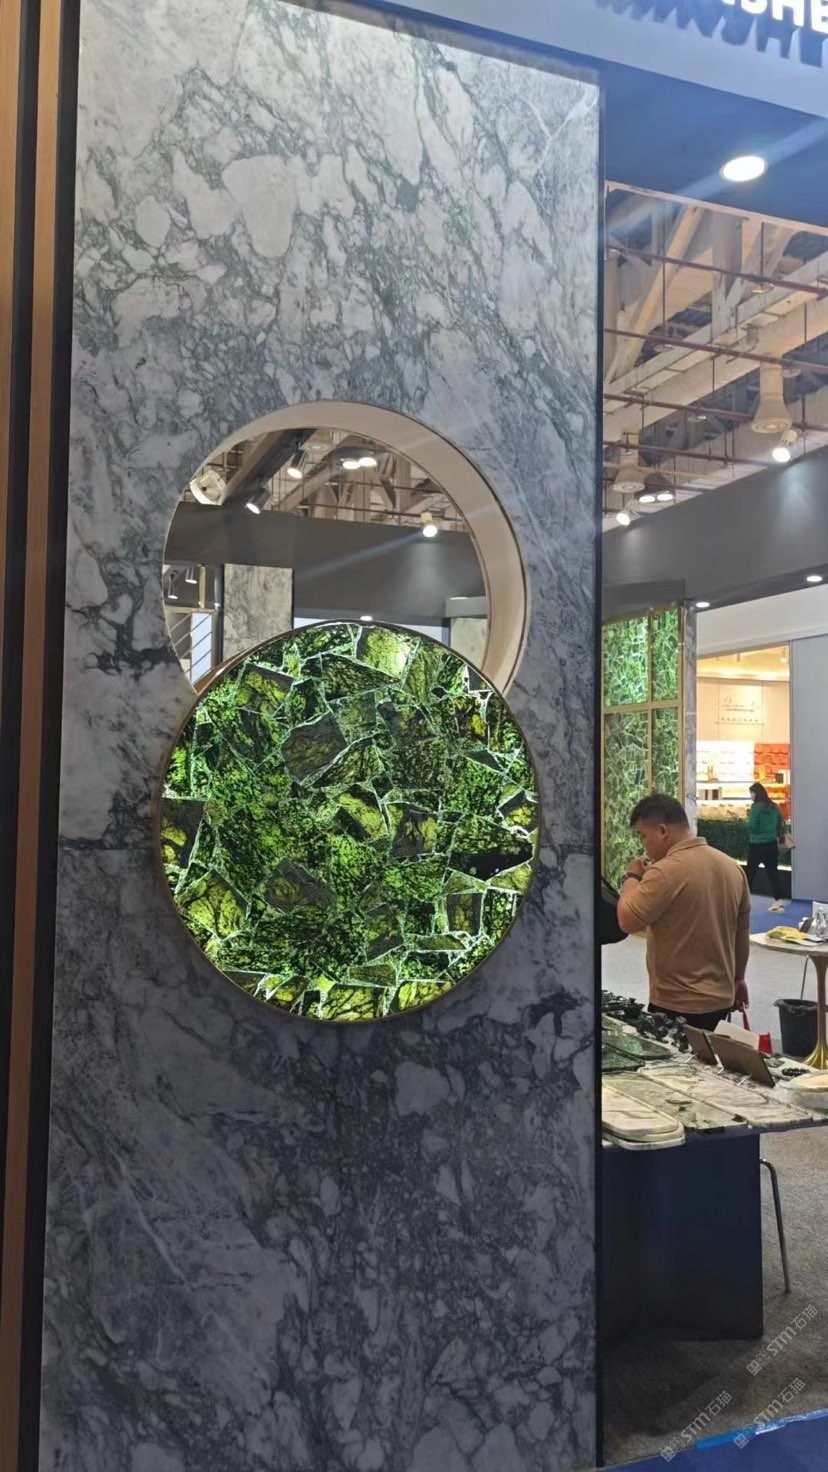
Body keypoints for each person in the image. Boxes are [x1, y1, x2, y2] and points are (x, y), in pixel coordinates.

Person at [617, 793, 750, 1031]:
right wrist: (738, 979)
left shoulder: (664, 871)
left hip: (676, 1003)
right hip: (721, 999)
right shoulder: (732, 867)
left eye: (643, 835)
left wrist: (632, 876)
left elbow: (627, 920)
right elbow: (742, 932)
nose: (644, 844)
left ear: (662, 831)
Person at [747, 781, 786, 914]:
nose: (750, 796)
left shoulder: (756, 807)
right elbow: (779, 825)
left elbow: (753, 826)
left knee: (749, 874)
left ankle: (744, 901)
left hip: (757, 845)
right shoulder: (774, 806)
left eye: (751, 793)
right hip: (771, 845)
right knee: (773, 873)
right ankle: (779, 901)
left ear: (756, 793)